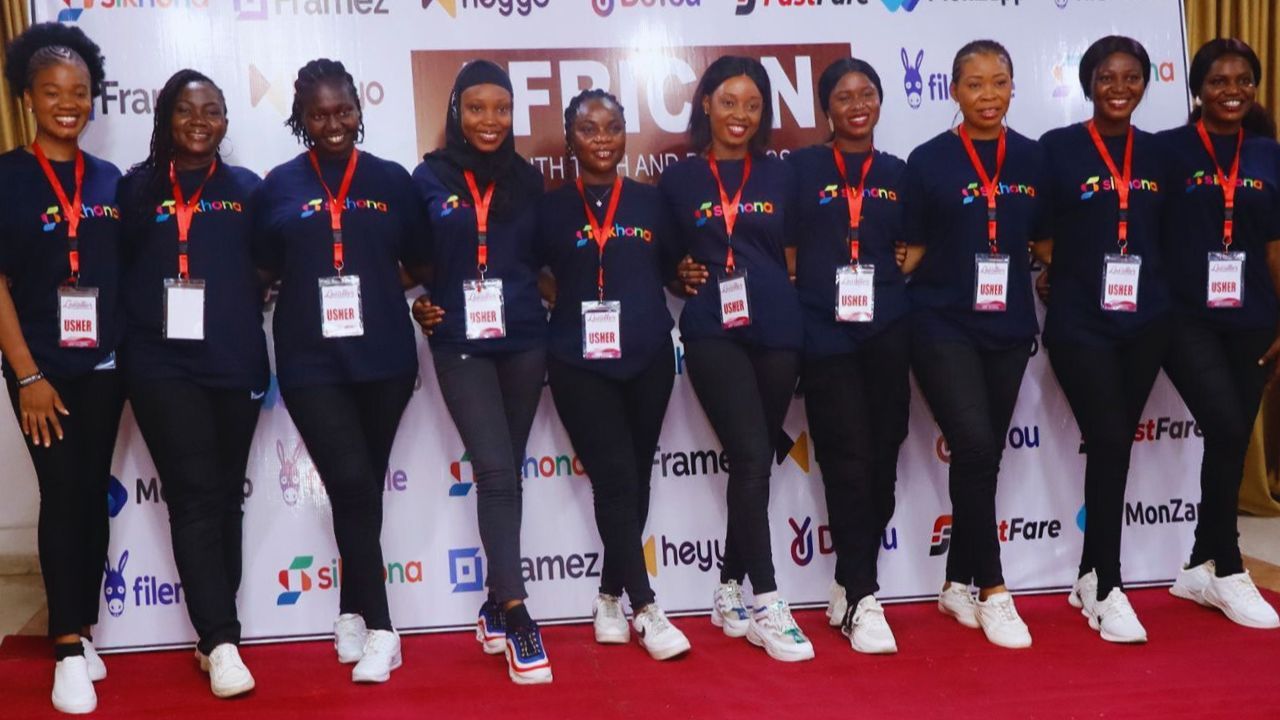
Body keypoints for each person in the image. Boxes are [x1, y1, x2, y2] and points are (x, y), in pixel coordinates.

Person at [252, 58, 429, 683]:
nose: (334, 123)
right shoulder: (278, 185)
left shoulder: (391, 179)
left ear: (359, 106)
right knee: (352, 482)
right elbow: (266, 268)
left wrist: (378, 284)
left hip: (384, 358)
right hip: (309, 362)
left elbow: (419, 259)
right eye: (320, 114)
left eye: (343, 110)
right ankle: (384, 629)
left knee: (364, 487)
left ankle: (351, 608)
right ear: (301, 117)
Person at [118, 69, 268, 694]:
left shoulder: (250, 191)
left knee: (225, 496)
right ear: (166, 119)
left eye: (212, 110)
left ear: (226, 121)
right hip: (160, 364)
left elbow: (270, 266)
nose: (199, 121)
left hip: (233, 360)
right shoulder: (135, 190)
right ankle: (221, 638)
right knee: (194, 495)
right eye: (186, 110)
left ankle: (217, 634)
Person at [659, 55, 813, 662]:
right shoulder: (677, 180)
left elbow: (800, 250)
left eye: (752, 105)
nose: (740, 116)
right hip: (711, 331)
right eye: (728, 103)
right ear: (705, 105)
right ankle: (769, 603)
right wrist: (680, 271)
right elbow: (667, 263)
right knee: (751, 453)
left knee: (754, 464)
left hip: (778, 327)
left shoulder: (782, 175)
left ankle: (726, 588)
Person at [900, 40, 1046, 649]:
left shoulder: (1036, 159)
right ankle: (993, 589)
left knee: (981, 456)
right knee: (975, 442)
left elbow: (1046, 243)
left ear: (1014, 88)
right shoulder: (928, 160)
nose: (988, 95)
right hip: (941, 323)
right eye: (975, 84)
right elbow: (909, 250)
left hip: (1010, 326)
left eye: (999, 82)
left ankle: (956, 580)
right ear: (953, 92)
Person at [410, 60, 552, 685]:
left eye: (501, 108)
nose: (489, 121)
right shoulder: (429, 177)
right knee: (495, 469)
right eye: (476, 109)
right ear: (456, 114)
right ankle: (519, 613)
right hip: (459, 340)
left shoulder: (527, 180)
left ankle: (494, 604)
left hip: (524, 338)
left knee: (507, 475)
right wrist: (417, 302)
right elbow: (411, 261)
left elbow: (544, 262)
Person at [538, 88, 690, 661]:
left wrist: (690, 276)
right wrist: (568, 298)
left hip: (648, 355)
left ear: (626, 133)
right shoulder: (551, 208)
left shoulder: (652, 203)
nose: (601, 139)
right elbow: (529, 270)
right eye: (588, 129)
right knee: (614, 480)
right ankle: (646, 608)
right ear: (570, 137)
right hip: (579, 362)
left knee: (636, 477)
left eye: (611, 127)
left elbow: (675, 271)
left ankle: (607, 594)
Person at [0, 22, 124, 715]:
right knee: (61, 496)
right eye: (52, 93)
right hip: (39, 370)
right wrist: (25, 376)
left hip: (104, 365)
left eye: (79, 93)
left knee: (91, 496)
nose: (67, 104)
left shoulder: (107, 179)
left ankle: (86, 622)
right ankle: (67, 645)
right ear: (28, 98)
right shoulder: (8, 177)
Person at [1036, 36, 1172, 644]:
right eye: (1107, 77)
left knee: (1115, 444)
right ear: (1088, 82)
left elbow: (1171, 232)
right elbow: (1037, 233)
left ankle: (1092, 574)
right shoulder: (1058, 149)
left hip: (1146, 320)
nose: (1119, 88)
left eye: (1132, 77)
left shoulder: (1161, 152)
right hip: (1079, 320)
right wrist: (1061, 270)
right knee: (1112, 436)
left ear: (1146, 82)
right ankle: (1107, 582)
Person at [787, 58, 909, 654]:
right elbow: (781, 245)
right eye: (842, 96)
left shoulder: (896, 172)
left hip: (887, 328)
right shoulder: (803, 168)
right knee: (846, 459)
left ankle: (845, 579)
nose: (856, 104)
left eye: (866, 93)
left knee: (885, 458)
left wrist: (881, 281)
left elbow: (913, 247)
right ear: (825, 109)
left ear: (880, 102)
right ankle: (864, 595)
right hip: (825, 332)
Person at [1160, 38, 1280, 630]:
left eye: (1243, 81)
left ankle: (1198, 567)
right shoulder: (1168, 151)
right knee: (1228, 425)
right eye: (1218, 81)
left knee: (1229, 438)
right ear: (1197, 89)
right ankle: (1228, 566)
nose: (1232, 90)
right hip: (1185, 317)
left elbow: (1277, 245)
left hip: (1254, 317)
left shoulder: (1268, 155)